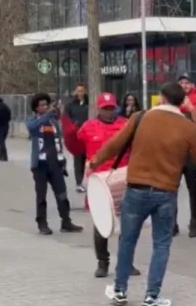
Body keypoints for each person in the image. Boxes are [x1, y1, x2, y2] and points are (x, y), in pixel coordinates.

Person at [93, 82, 196, 306]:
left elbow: (115, 144)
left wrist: (95, 161)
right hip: (166, 193)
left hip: (136, 190)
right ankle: (152, 295)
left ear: (162, 98)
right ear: (182, 102)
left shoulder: (141, 117)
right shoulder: (188, 127)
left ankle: (120, 291)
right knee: (161, 244)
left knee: (128, 240)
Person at [74, 92, 141, 278]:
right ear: (98, 109)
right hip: (99, 183)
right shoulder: (88, 127)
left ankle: (126, 263)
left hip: (122, 179)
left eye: (112, 108)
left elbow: (136, 148)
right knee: (100, 223)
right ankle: (102, 262)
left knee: (128, 224)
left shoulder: (125, 125)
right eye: (105, 109)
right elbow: (78, 149)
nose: (109, 112)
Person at [26, 92, 83, 235]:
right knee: (41, 196)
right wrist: (47, 115)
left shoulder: (53, 122)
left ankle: (66, 222)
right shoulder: (33, 121)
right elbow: (33, 128)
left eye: (47, 104)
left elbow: (58, 141)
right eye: (42, 105)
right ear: (36, 108)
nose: (45, 107)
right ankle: (42, 223)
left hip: (55, 164)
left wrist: (62, 160)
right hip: (40, 165)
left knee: (62, 194)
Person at [175, 73, 196, 238]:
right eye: (181, 82)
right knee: (170, 189)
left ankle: (194, 223)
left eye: (187, 83)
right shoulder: (170, 99)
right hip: (173, 151)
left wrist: (191, 108)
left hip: (191, 152)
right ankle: (171, 223)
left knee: (194, 189)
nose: (184, 85)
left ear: (192, 85)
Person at [65, 83, 89, 193]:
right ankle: (78, 182)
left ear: (85, 91)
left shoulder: (89, 103)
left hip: (88, 135)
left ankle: (84, 181)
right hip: (76, 135)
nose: (80, 93)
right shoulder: (70, 105)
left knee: (86, 159)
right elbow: (66, 118)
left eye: (82, 91)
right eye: (78, 91)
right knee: (78, 159)